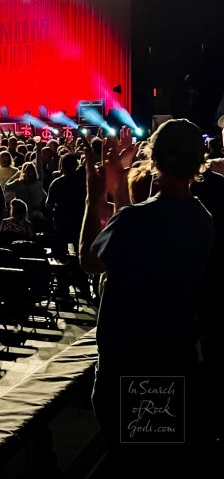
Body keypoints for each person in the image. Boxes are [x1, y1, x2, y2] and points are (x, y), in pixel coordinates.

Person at [79, 121, 214, 471]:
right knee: (156, 458)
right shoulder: (202, 219)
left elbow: (91, 259)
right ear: (200, 163)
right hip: (174, 359)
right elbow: (134, 235)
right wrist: (120, 182)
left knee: (130, 459)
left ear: (152, 158)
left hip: (127, 362)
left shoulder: (137, 220)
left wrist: (94, 193)